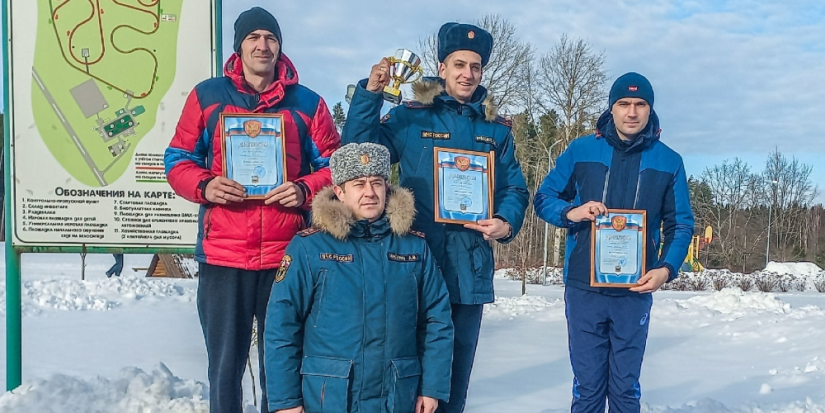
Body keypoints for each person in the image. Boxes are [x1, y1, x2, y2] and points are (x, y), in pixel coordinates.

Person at [342, 23, 529, 413]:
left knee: (452, 384)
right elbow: (360, 151)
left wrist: (506, 222)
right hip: (411, 264)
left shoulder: (496, 131)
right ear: (442, 67)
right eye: (459, 64)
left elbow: (515, 188)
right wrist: (370, 95)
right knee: (402, 374)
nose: (467, 74)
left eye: (476, 67)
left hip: (468, 268)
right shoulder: (411, 118)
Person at [163, 7, 340, 412]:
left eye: (271, 38)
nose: (263, 46)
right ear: (239, 46)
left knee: (280, 363)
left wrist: (304, 189)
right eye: (254, 37)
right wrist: (206, 185)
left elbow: (335, 166)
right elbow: (176, 160)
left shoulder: (307, 103)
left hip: (286, 257)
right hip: (224, 255)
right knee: (224, 367)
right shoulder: (207, 96)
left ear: (280, 47)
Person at [533, 72, 694, 413]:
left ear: (650, 109)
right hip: (584, 288)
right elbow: (544, 198)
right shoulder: (581, 150)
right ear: (612, 108)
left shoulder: (669, 161)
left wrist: (666, 269)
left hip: (634, 290)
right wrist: (572, 212)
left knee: (625, 390)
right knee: (588, 389)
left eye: (640, 104)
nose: (632, 112)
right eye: (624, 104)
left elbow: (680, 225)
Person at [264, 142, 454, 413]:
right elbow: (281, 326)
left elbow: (437, 319)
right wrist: (286, 402)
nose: (369, 193)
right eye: (358, 184)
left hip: (397, 396)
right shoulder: (309, 248)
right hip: (328, 398)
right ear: (340, 191)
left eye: (377, 183)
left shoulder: (413, 247)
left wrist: (432, 387)